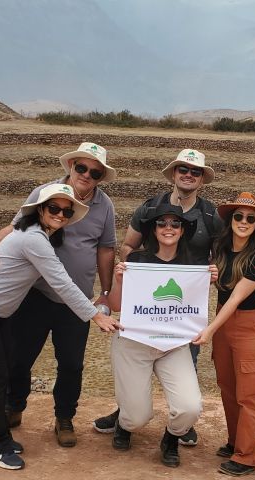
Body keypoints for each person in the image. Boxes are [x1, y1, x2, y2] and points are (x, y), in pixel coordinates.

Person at [0, 183, 121, 470]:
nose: (60, 214)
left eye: (66, 211)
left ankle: (0, 435)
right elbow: (61, 283)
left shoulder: (36, 234)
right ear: (40, 209)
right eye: (53, 208)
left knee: (4, 372)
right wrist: (96, 315)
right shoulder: (35, 240)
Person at [0, 142, 117, 447]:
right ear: (71, 166)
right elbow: (17, 226)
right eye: (81, 167)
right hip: (37, 294)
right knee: (19, 357)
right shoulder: (45, 192)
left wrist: (105, 292)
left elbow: (106, 249)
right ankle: (14, 407)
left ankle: (64, 417)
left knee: (71, 364)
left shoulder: (105, 206)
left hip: (78, 298)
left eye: (94, 172)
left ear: (100, 177)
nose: (86, 175)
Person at [93, 148, 222, 446]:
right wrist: (140, 269)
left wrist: (208, 274)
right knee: (134, 372)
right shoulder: (151, 207)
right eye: (183, 170)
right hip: (146, 303)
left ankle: (176, 431)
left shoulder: (210, 214)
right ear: (174, 174)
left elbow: (219, 254)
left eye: (195, 171)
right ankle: (126, 416)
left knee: (182, 368)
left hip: (183, 308)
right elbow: (127, 245)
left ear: (201, 178)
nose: (188, 175)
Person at [107, 203, 217, 468]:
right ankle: (125, 423)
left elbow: (194, 304)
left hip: (173, 344)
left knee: (190, 407)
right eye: (162, 223)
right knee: (136, 418)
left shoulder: (195, 265)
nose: (169, 228)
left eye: (175, 224)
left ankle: (171, 437)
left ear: (182, 230)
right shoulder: (136, 261)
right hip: (134, 342)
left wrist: (209, 278)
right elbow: (116, 306)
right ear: (153, 229)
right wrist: (119, 280)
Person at [192, 192, 255, 476]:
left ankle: (246, 457)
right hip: (225, 323)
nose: (243, 221)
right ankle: (235, 440)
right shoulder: (221, 249)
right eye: (238, 216)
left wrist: (209, 330)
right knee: (227, 386)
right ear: (231, 220)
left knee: (249, 393)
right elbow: (221, 288)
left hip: (248, 324)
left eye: (250, 218)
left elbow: (237, 297)